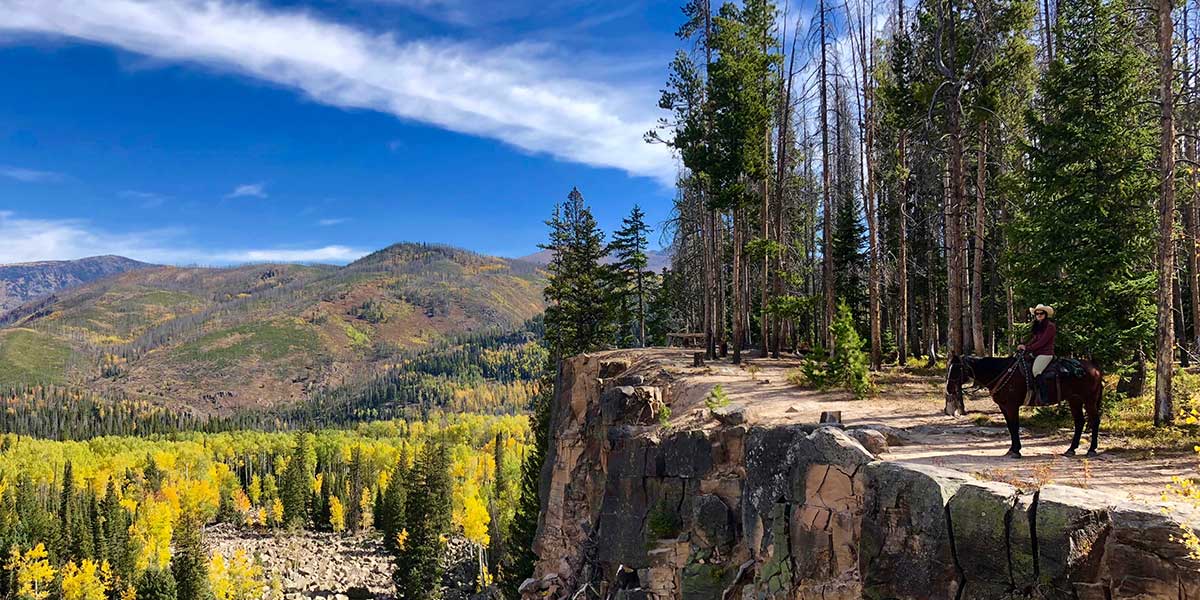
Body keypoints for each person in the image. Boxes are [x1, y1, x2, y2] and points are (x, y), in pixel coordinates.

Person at [1018, 304, 1057, 404]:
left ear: (1045, 314)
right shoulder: (1039, 325)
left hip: (1046, 354)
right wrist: (1024, 346)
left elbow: (1042, 342)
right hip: (1037, 353)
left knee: (1036, 371)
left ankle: (1044, 397)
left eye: (1041, 313)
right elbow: (1035, 339)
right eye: (1037, 313)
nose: (1039, 315)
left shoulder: (1050, 326)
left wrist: (1028, 348)